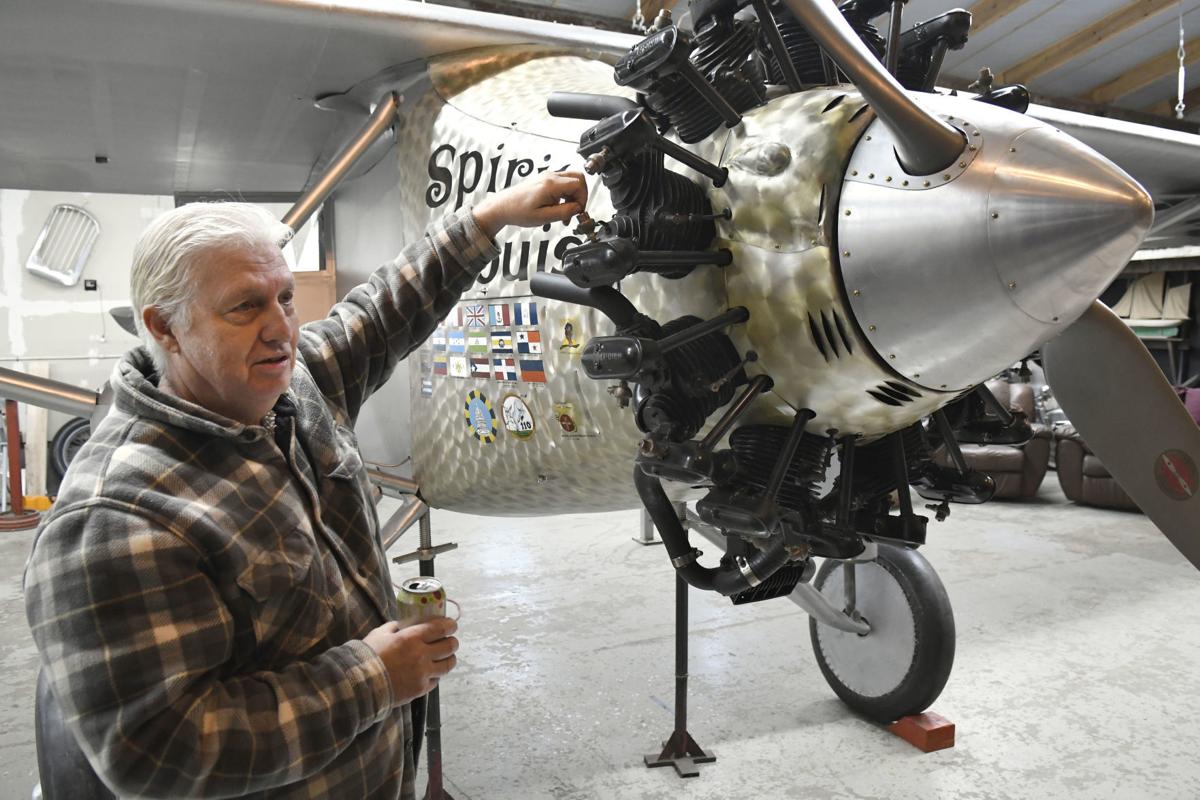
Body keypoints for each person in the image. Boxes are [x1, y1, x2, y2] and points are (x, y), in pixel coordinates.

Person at [23, 171, 587, 799]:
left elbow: (380, 314)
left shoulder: (288, 390)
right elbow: (159, 752)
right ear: (164, 327)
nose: (281, 329)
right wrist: (373, 679)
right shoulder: (115, 520)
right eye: (244, 306)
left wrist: (490, 217)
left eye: (285, 298)